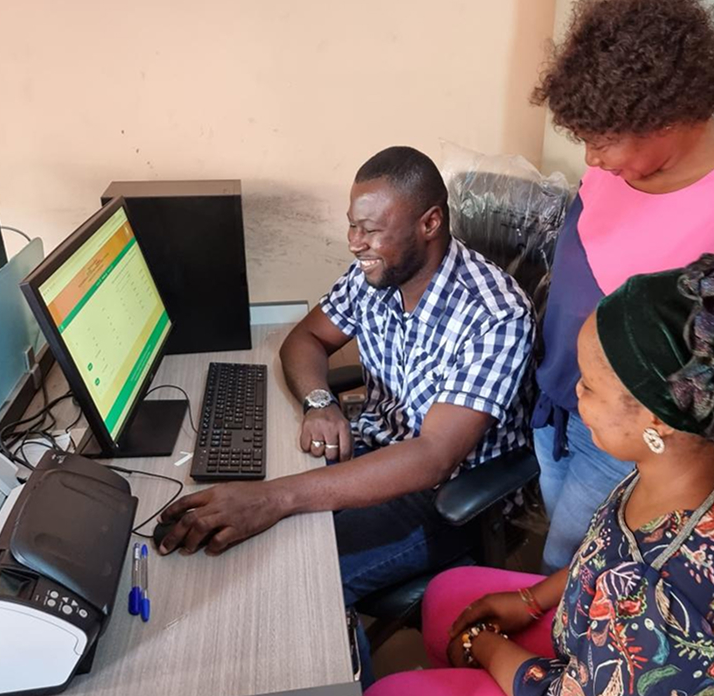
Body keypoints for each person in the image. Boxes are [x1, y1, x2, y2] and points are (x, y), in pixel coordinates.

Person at [156, 146, 535, 685]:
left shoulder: (496, 314)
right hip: (371, 447)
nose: (355, 242)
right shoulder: (376, 274)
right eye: (352, 225)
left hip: (444, 499)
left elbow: (433, 456)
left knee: (293, 578)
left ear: (429, 223)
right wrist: (319, 402)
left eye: (371, 230)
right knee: (251, 537)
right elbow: (305, 339)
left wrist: (277, 497)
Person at [367, 254, 714, 696]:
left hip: (584, 677)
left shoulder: (664, 598)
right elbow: (604, 555)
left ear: (656, 420)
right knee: (445, 595)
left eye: (589, 385)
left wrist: (484, 646)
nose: (575, 391)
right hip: (587, 629)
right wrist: (533, 599)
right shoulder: (666, 469)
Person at [528, 0, 714, 571]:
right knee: (557, 529)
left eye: (604, 140)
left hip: (629, 438)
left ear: (667, 119)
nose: (590, 158)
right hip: (560, 396)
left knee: (573, 563)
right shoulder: (620, 162)